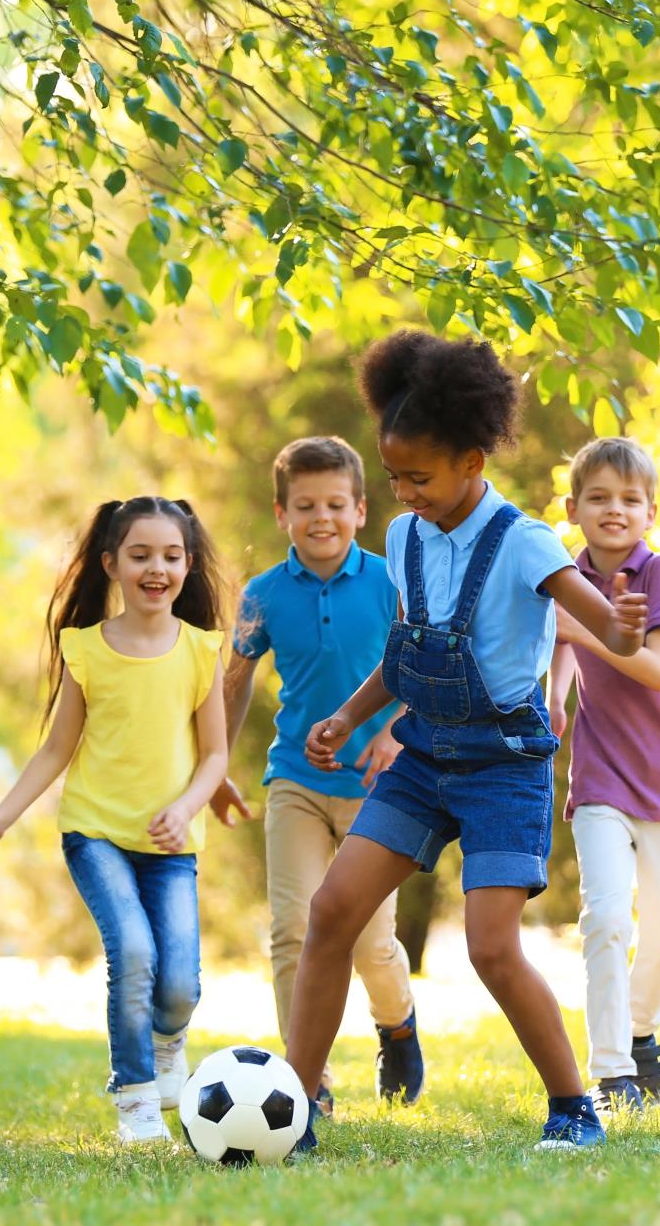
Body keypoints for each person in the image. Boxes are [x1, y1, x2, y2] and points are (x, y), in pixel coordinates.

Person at [284, 330, 649, 1154]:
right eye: (395, 477)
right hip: (422, 757)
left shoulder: (522, 540)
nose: (405, 493)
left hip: (503, 768)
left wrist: (624, 629)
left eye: (421, 476)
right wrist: (349, 715)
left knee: (490, 946)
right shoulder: (408, 539)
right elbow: (408, 648)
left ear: (473, 462)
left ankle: (573, 1105)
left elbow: (609, 635)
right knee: (332, 909)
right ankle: (298, 1105)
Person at [0, 497, 234, 1145]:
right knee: (132, 951)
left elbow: (215, 753)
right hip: (96, 832)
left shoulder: (200, 650)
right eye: (140, 555)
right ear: (111, 563)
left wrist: (187, 805)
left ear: (188, 564)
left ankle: (169, 1043)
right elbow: (56, 748)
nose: (155, 568)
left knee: (182, 986)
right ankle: (135, 1095)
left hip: (171, 843)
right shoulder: (85, 649)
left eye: (170, 555)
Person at [222, 436, 422, 1115]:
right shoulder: (262, 596)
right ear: (282, 513)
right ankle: (306, 1078)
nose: (321, 518)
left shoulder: (391, 580)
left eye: (335, 504)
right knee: (293, 929)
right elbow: (235, 680)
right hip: (297, 782)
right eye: (305, 505)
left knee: (371, 942)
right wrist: (215, 763)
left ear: (360, 509)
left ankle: (397, 1024)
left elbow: (422, 663)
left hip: (379, 787)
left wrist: (397, 732)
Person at [548, 437, 660, 1116]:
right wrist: (554, 699)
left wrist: (587, 629)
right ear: (573, 507)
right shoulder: (565, 578)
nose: (614, 509)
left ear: (650, 511)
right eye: (599, 497)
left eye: (629, 499)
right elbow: (556, 638)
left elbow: (654, 668)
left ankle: (640, 1030)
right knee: (607, 915)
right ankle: (612, 1070)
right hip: (602, 775)